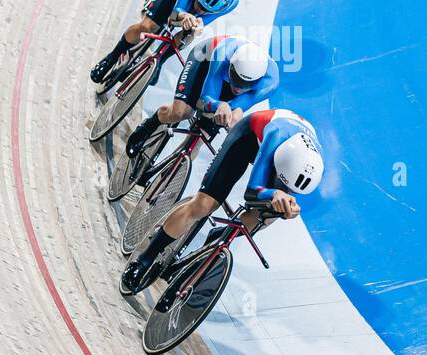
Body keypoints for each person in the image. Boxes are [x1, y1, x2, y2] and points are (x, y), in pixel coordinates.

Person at [120, 108, 324, 296]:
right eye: (282, 183)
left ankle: (216, 242)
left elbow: (287, 193)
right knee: (203, 205)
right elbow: (252, 191)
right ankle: (147, 256)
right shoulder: (276, 134)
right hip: (247, 139)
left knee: (272, 214)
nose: (283, 188)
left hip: (287, 161)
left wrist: (288, 208)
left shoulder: (311, 167)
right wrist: (273, 194)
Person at [124, 34, 279, 158]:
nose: (238, 88)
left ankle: (170, 174)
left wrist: (231, 115)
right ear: (231, 67)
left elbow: (239, 108)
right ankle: (148, 126)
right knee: (181, 112)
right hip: (205, 61)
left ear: (258, 82)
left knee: (199, 139)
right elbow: (207, 97)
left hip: (227, 80)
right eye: (237, 80)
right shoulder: (222, 55)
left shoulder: (270, 83)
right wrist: (219, 105)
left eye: (245, 85)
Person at [91, 0, 240, 84]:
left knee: (191, 32)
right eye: (198, 3)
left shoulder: (230, 3)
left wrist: (197, 25)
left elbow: (201, 24)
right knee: (148, 26)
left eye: (205, 9)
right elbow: (176, 13)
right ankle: (112, 56)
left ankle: (160, 61)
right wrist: (183, 15)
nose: (199, 9)